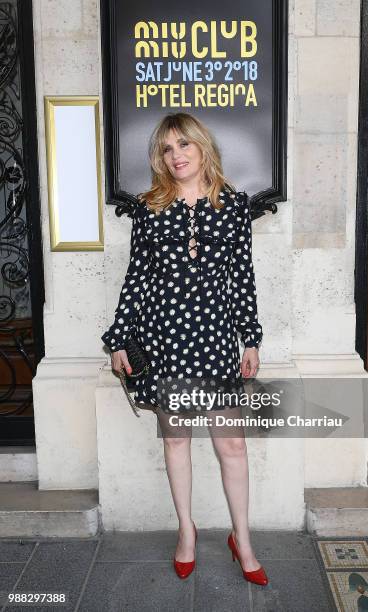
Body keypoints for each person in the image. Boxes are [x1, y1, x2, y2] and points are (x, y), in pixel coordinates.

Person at [101, 112, 268, 586]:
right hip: (165, 339)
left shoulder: (234, 206)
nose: (176, 155)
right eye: (167, 148)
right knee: (176, 439)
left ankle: (243, 539)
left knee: (231, 444)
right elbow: (136, 278)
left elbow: (242, 278)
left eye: (184, 145)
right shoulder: (148, 207)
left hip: (216, 340)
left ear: (202, 148)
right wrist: (119, 337)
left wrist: (249, 336)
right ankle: (187, 532)